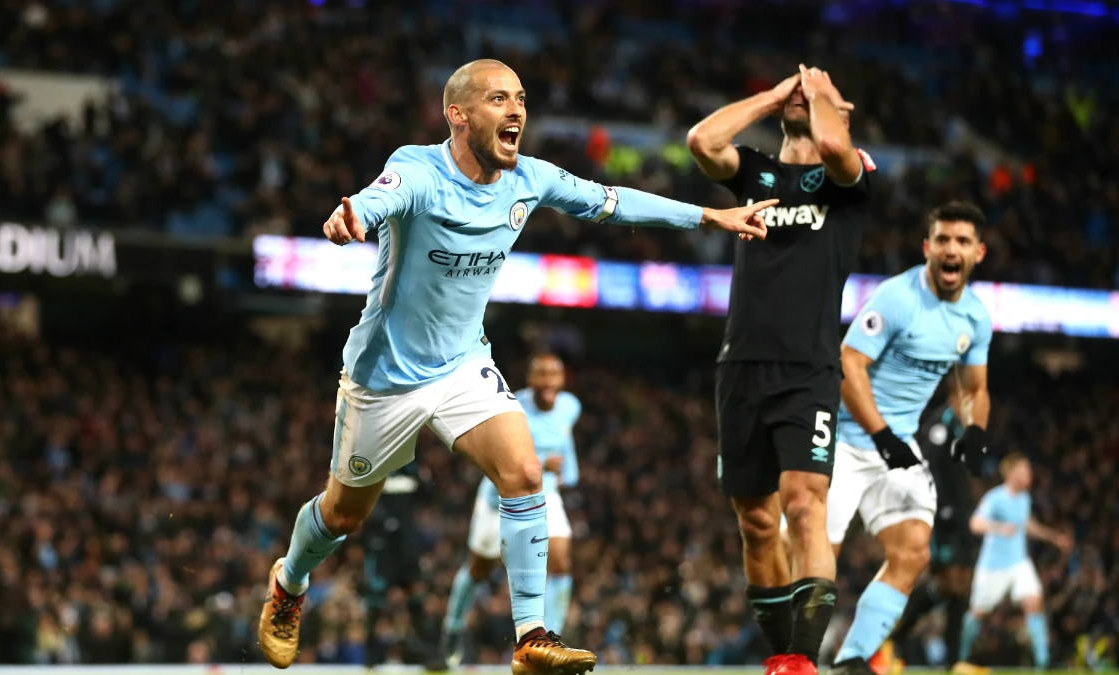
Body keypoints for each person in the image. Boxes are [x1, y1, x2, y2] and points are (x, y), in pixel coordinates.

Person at [257, 58, 774, 674]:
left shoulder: (529, 178)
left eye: (521, 99)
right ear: (458, 114)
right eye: (499, 99)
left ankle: (530, 636)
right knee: (343, 513)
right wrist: (352, 220)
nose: (517, 111)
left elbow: (612, 202)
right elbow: (375, 200)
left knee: (525, 473)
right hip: (385, 375)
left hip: (462, 366)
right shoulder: (419, 169)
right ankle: (289, 584)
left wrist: (710, 216)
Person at [687, 65, 871, 675]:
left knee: (803, 504)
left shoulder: (846, 179)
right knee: (757, 520)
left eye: (820, 98)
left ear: (838, 113)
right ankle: (780, 659)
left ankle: (804, 658)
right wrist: (771, 96)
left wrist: (821, 94)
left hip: (808, 367)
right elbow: (701, 143)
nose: (805, 94)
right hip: (739, 364)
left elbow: (837, 146)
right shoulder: (758, 174)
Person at [825, 202, 994, 675]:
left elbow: (973, 388)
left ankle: (852, 659)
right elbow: (849, 363)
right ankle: (794, 656)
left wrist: (975, 430)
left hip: (896, 445)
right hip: (842, 437)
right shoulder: (896, 298)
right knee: (820, 557)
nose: (951, 249)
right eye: (942, 239)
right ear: (928, 247)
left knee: (913, 551)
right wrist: (880, 434)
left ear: (978, 253)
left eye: (962, 241)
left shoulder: (975, 319)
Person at [436, 353, 581, 669]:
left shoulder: (570, 406)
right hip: (501, 497)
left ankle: (549, 644)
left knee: (560, 561)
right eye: (540, 374)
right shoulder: (512, 408)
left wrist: (569, 472)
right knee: (479, 569)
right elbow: (502, 458)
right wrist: (543, 465)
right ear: (530, 380)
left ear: (563, 379)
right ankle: (453, 628)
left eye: (554, 373)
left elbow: (564, 441)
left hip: (546, 495)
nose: (548, 380)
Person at [876, 381, 977, 673]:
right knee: (949, 584)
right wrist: (942, 505)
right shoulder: (940, 424)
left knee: (959, 588)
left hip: (960, 516)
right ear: (956, 394)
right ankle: (894, 642)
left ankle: (954, 662)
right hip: (943, 515)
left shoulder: (962, 427)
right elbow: (928, 466)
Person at [954, 454, 1073, 674]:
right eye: (1025, 471)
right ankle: (961, 657)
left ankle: (1042, 663)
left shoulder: (1024, 499)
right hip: (993, 567)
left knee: (1034, 602)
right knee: (978, 613)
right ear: (1011, 474)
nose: (1029, 475)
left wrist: (1053, 538)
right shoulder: (995, 498)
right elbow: (975, 524)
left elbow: (1027, 525)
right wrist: (1000, 528)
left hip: (1019, 563)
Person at [361, 460, 428, 667]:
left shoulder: (412, 464)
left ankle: (428, 651)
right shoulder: (374, 461)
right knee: (377, 597)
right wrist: (382, 520)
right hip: (383, 542)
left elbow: (426, 496)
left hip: (407, 541)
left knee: (415, 592)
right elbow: (362, 497)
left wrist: (424, 477)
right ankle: (371, 654)